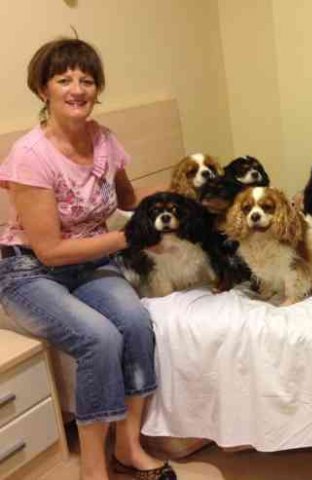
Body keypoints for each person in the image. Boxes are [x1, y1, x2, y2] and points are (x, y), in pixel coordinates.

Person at [0, 38, 176, 480]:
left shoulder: (105, 140)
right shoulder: (29, 156)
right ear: (44, 90)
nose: (77, 88)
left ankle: (128, 446)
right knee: (99, 338)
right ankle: (93, 470)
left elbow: (126, 196)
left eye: (87, 80)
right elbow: (50, 250)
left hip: (88, 260)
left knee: (136, 322)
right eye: (64, 80)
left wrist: (156, 207)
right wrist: (126, 238)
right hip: (29, 270)